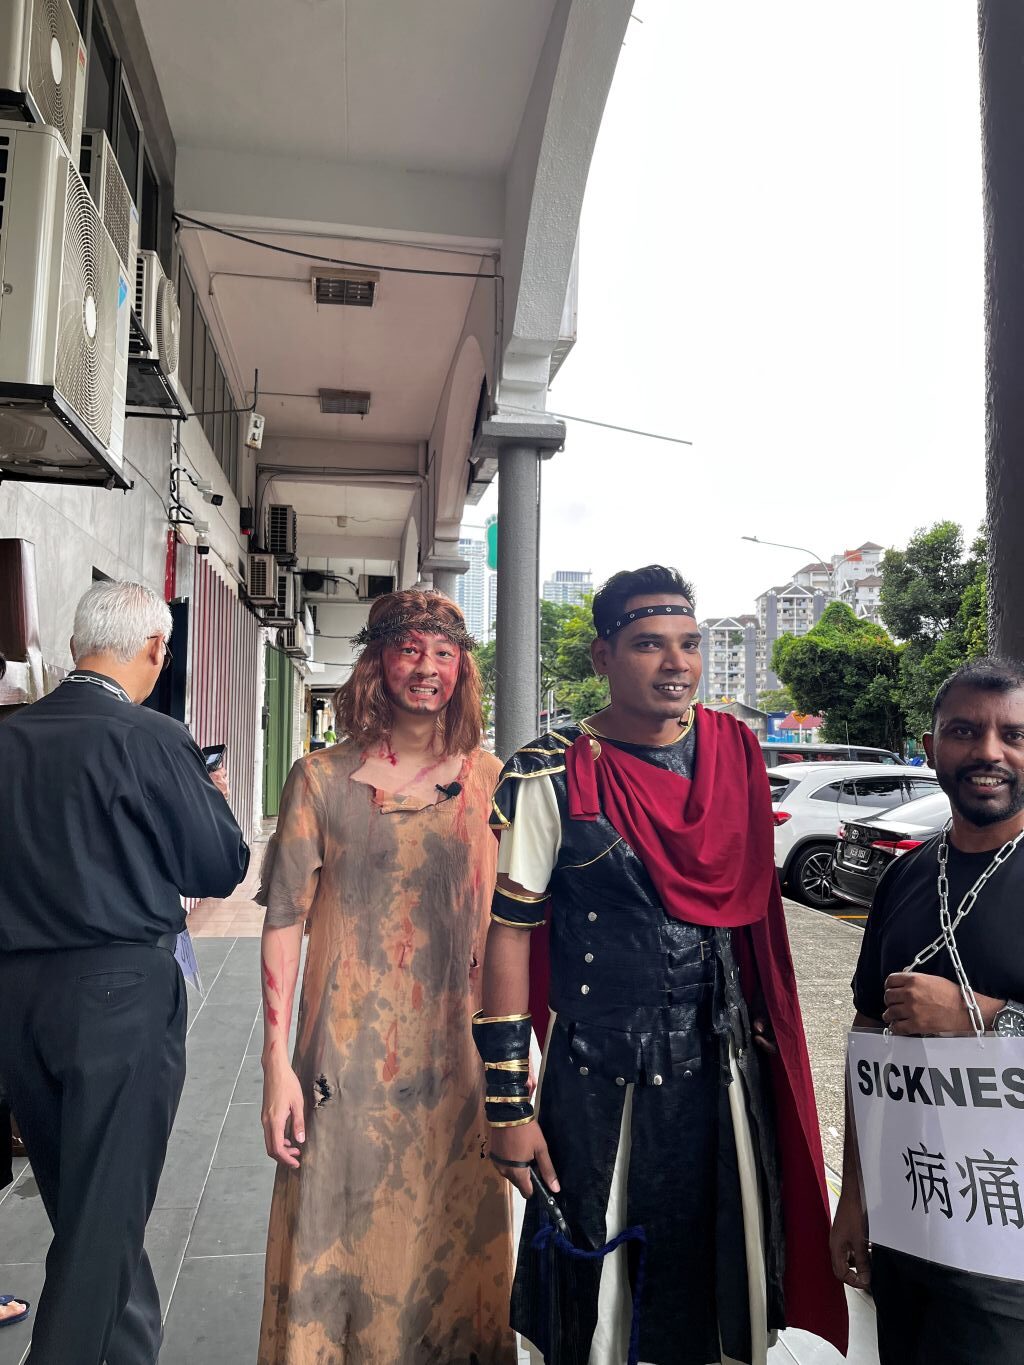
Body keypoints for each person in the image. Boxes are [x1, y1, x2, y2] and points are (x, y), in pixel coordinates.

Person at [477, 565, 847, 1365]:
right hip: (599, 1072)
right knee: (598, 1312)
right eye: (649, 644)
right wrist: (507, 1105)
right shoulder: (550, 769)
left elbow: (751, 914)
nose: (676, 663)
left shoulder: (733, 749)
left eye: (688, 643)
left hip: (721, 1067)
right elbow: (508, 935)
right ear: (604, 655)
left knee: (720, 1294)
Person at [256, 589, 516, 1365]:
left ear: (462, 667)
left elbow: (515, 929)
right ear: (377, 661)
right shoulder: (319, 778)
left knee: (452, 1241)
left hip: (458, 1062)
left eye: (444, 652)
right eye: (409, 649)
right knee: (341, 1236)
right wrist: (276, 1065)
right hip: (345, 1066)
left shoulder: (491, 781)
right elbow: (284, 920)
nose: (427, 667)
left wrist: (516, 1057)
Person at [0, 581, 249, 1365]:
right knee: (105, 1214)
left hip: (17, 994)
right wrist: (213, 799)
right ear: (153, 649)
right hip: (117, 994)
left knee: (87, 1202)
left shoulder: (9, 736)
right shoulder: (152, 737)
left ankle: (130, 1350)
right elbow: (217, 865)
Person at [831, 657, 1024, 1364]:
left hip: (1011, 1246)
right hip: (913, 1218)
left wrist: (983, 1017)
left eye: (1014, 735)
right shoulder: (907, 875)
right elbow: (868, 1044)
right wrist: (855, 1197)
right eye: (964, 731)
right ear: (931, 744)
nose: (989, 751)